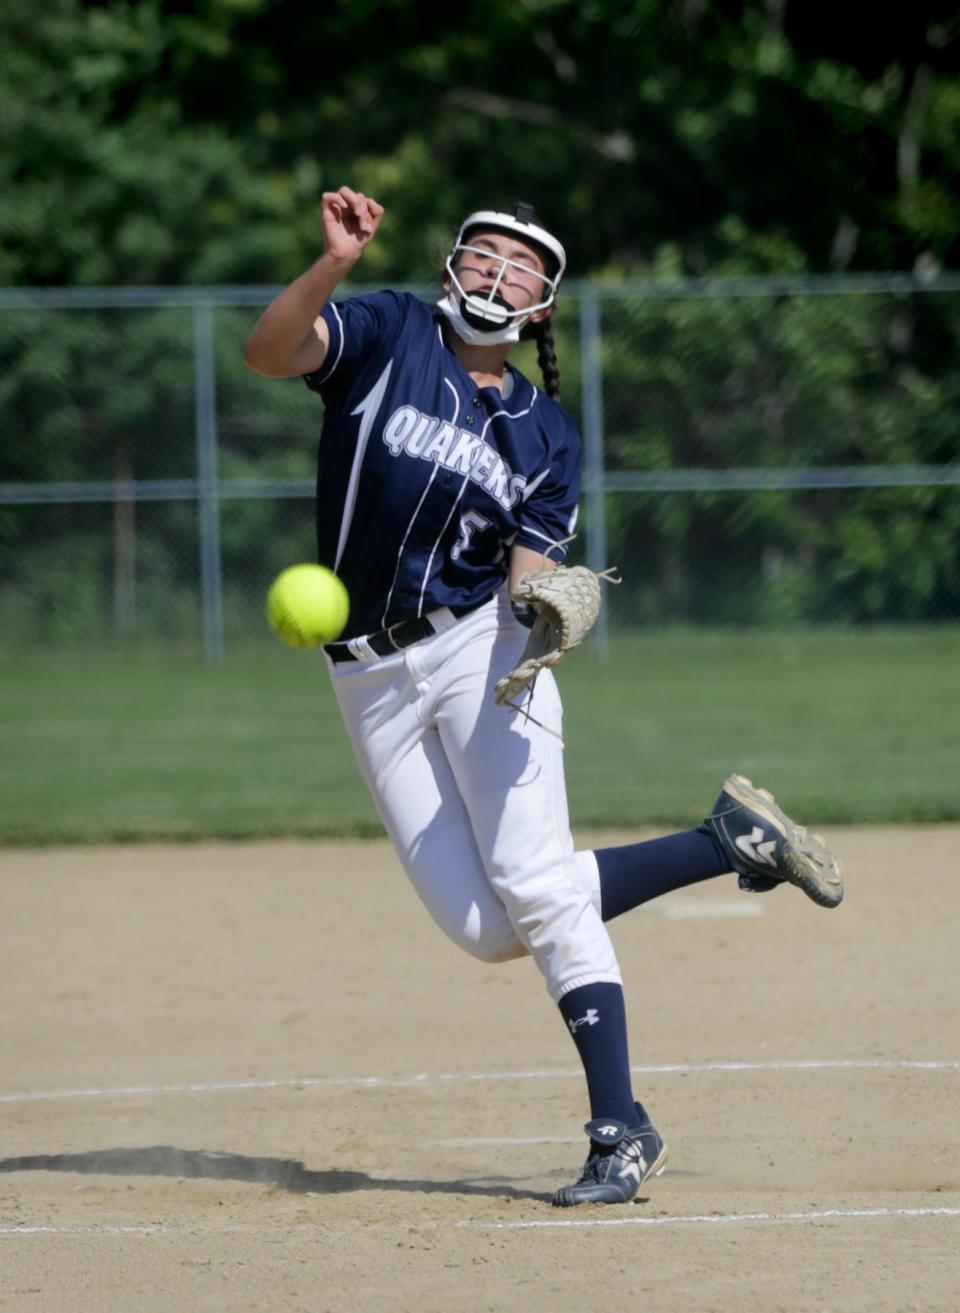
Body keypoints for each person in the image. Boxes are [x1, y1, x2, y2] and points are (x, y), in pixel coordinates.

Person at [244, 186, 844, 1208]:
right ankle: (726, 840)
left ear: (542, 305)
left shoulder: (548, 433)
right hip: (367, 674)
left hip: (486, 650)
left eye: (522, 266)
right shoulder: (388, 331)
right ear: (451, 267)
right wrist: (333, 263)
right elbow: (270, 351)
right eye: (482, 252)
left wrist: (544, 605)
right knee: (486, 925)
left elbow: (531, 572)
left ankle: (621, 1131)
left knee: (531, 880)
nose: (497, 271)